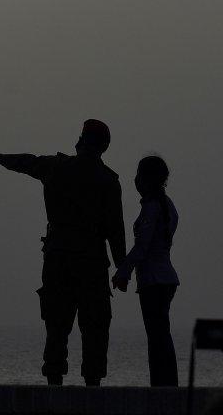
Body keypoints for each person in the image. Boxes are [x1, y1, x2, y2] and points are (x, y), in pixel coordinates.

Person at [0, 119, 126, 386]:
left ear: (82, 140)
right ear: (104, 147)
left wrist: (0, 158)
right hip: (91, 262)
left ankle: (54, 384)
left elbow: (28, 162)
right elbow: (115, 231)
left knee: (57, 326)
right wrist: (122, 268)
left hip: (59, 258)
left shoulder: (57, 168)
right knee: (94, 327)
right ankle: (92, 385)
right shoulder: (108, 181)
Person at [111, 156, 180, 387]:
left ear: (146, 179)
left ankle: (162, 386)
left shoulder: (152, 208)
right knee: (162, 334)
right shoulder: (168, 205)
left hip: (153, 280)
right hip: (165, 277)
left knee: (157, 337)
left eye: (139, 175)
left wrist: (123, 272)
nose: (135, 180)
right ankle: (167, 384)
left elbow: (142, 246)